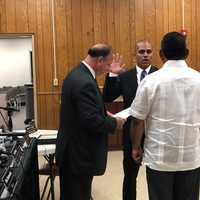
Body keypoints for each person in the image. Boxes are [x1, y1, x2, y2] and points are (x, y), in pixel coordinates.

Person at [130, 31, 200, 200]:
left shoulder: (151, 81)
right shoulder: (198, 79)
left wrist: (135, 146)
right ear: (187, 53)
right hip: (191, 156)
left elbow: (138, 120)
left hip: (159, 157)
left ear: (161, 54)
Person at [55, 43, 126, 200]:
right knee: (77, 194)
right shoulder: (85, 81)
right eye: (107, 64)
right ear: (99, 60)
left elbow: (84, 110)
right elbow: (92, 121)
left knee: (76, 193)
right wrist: (116, 123)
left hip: (73, 150)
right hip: (78, 154)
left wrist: (103, 112)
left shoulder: (77, 74)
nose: (108, 68)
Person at [103, 40, 158, 200]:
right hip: (131, 132)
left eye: (148, 51)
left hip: (155, 132)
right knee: (130, 176)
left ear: (153, 53)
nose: (146, 55)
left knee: (156, 177)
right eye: (141, 51)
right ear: (135, 55)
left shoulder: (160, 75)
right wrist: (113, 74)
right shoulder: (125, 76)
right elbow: (107, 97)